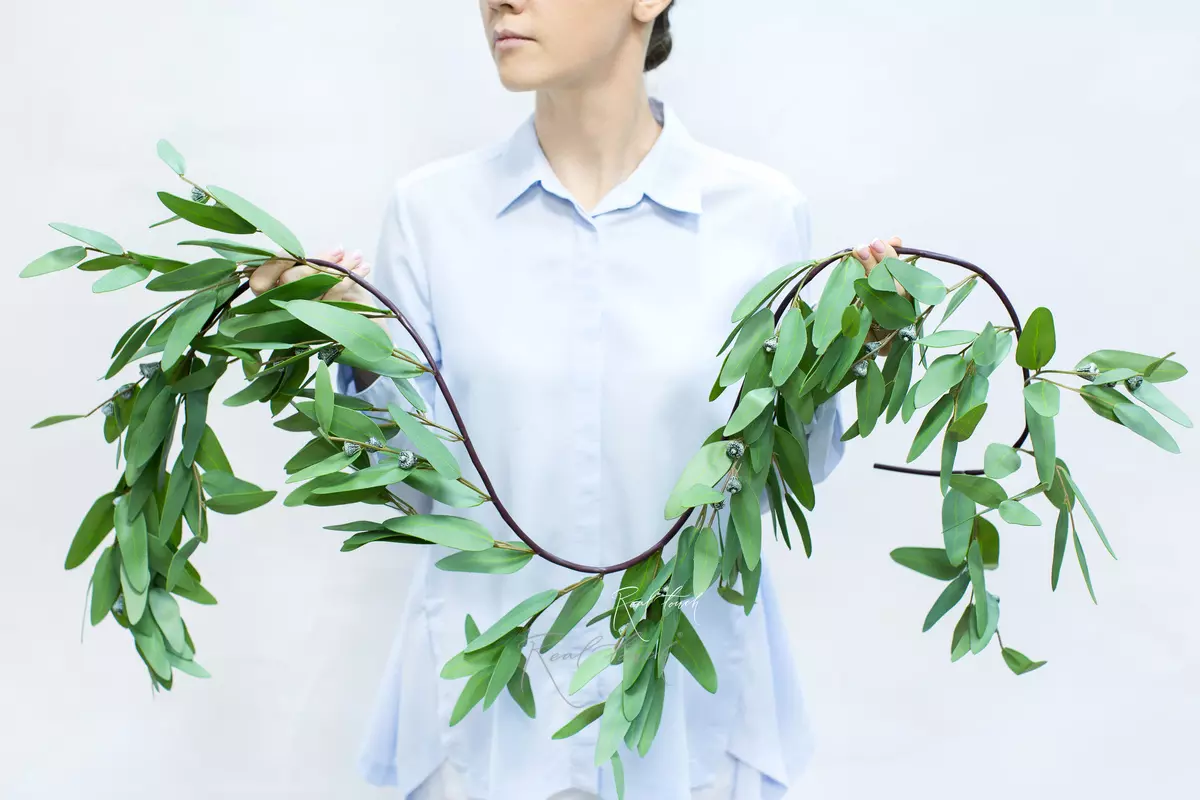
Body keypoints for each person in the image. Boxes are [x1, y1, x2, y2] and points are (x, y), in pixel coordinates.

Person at [249, 2, 905, 797]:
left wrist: (845, 352)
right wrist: (349, 344)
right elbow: (416, 491)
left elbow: (771, 481)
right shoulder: (431, 214)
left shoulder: (760, 216)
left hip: (689, 721)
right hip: (487, 717)